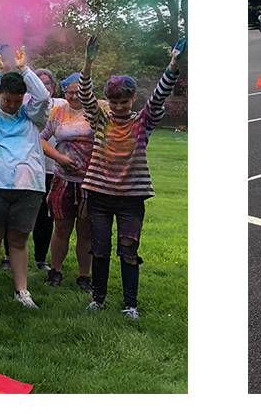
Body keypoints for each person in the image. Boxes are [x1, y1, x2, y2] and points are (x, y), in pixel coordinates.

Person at [77, 35, 184, 319]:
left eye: (124, 101)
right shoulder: (101, 119)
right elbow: (85, 95)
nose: (119, 106)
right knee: (99, 250)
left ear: (132, 98)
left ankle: (130, 305)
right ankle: (98, 299)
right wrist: (88, 63)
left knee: (128, 251)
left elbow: (160, 94)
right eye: (114, 101)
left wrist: (173, 64)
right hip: (99, 196)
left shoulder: (142, 121)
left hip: (131, 199)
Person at [0, 46, 50, 308]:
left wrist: (24, 69)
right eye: (7, 100)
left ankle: (21, 290)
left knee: (19, 239)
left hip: (28, 186)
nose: (12, 105)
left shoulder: (32, 117)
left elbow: (43, 96)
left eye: (17, 101)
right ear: (0, 95)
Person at [40, 72, 99, 292]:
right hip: (62, 179)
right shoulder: (58, 112)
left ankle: (85, 276)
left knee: (86, 231)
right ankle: (55, 271)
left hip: (91, 181)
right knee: (61, 228)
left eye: (78, 92)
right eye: (69, 92)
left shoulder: (98, 109)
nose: (73, 96)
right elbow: (41, 138)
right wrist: (58, 157)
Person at [28, 68, 65, 272]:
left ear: (54, 87)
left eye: (47, 83)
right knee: (20, 215)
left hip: (52, 171)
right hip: (28, 169)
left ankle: (40, 259)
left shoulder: (62, 105)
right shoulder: (24, 104)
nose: (43, 86)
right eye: (38, 82)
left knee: (45, 217)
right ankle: (9, 255)